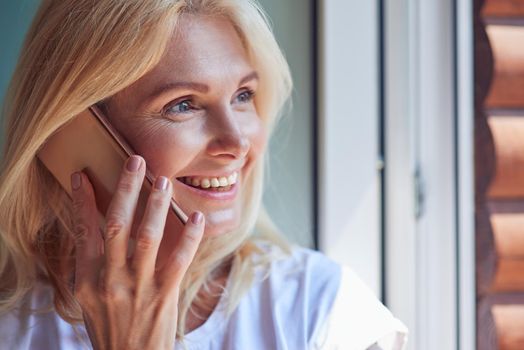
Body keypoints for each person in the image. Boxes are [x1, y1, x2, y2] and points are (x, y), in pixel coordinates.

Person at [0, 1, 408, 349]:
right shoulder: (11, 323)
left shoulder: (321, 310)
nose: (237, 142)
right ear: (73, 133)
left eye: (243, 96)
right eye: (183, 105)